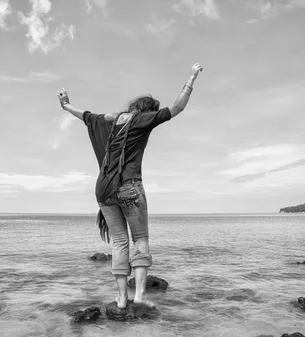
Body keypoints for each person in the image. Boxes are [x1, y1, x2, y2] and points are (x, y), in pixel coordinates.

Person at [56, 63, 203, 309]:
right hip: (128, 186)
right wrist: (192, 77)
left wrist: (65, 104)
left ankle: (122, 298)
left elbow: (85, 116)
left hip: (103, 189)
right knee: (140, 239)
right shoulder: (142, 120)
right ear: (147, 111)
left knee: (120, 242)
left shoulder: (109, 120)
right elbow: (177, 107)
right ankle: (140, 297)